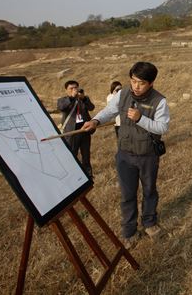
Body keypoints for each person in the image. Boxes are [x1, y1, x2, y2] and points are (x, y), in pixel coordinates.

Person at [81, 62, 170, 248]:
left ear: (151, 83)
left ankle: (149, 223)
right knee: (127, 195)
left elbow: (162, 127)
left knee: (149, 191)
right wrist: (96, 120)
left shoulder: (159, 101)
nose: (136, 86)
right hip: (125, 155)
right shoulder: (122, 94)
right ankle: (129, 231)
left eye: (141, 83)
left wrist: (140, 118)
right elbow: (110, 111)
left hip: (147, 155)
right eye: (133, 81)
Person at [57, 80, 95, 177]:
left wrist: (84, 99)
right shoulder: (63, 100)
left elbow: (91, 108)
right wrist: (71, 98)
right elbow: (61, 107)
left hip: (85, 130)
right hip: (72, 132)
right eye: (71, 88)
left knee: (86, 155)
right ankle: (72, 175)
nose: (74, 90)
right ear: (66, 90)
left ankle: (88, 175)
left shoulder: (82, 99)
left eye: (76, 88)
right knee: (72, 155)